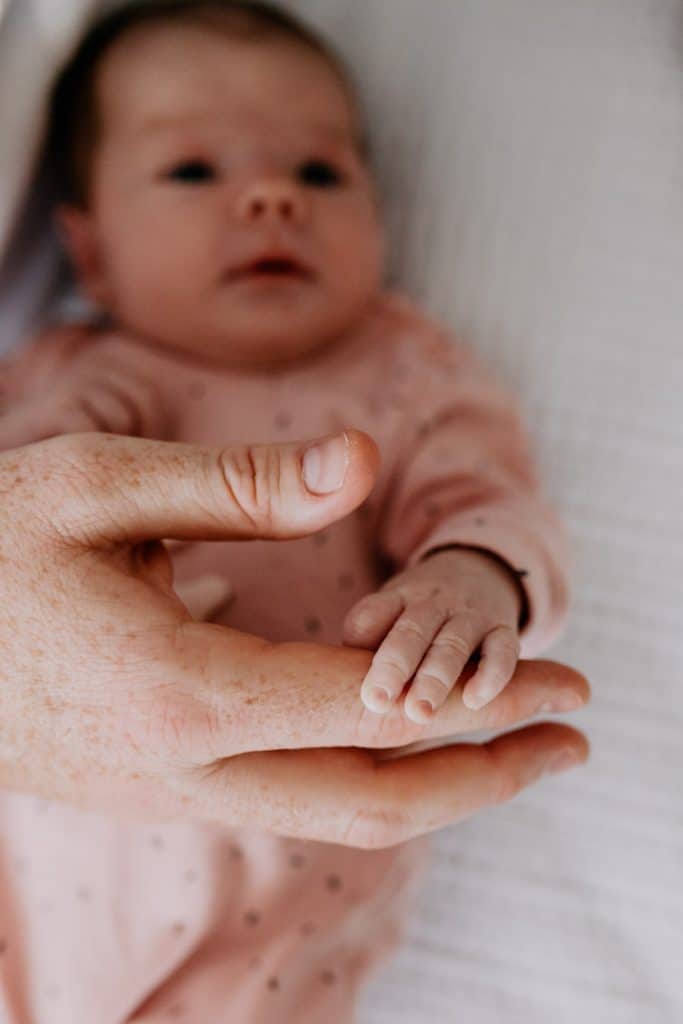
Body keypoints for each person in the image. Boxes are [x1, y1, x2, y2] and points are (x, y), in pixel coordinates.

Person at [0, 2, 590, 1020]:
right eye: (193, 171)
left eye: (319, 172)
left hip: (285, 901)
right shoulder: (77, 376)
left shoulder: (406, 374)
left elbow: (489, 499)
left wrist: (469, 579)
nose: (271, 195)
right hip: (37, 840)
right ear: (88, 253)